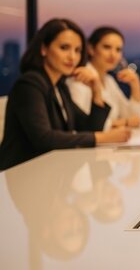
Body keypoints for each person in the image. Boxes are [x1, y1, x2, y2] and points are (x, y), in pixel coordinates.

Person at [0, 19, 131, 170]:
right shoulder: (29, 84)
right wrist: (102, 138)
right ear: (44, 49)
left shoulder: (60, 88)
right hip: (23, 174)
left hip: (50, 172)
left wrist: (96, 90)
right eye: (64, 48)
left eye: (77, 50)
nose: (72, 57)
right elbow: (44, 138)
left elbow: (89, 127)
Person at [68, 26, 140, 130]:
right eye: (107, 47)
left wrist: (136, 84)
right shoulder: (81, 78)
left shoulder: (109, 80)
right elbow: (85, 124)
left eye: (118, 50)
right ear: (91, 49)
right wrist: (125, 122)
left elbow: (134, 117)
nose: (113, 54)